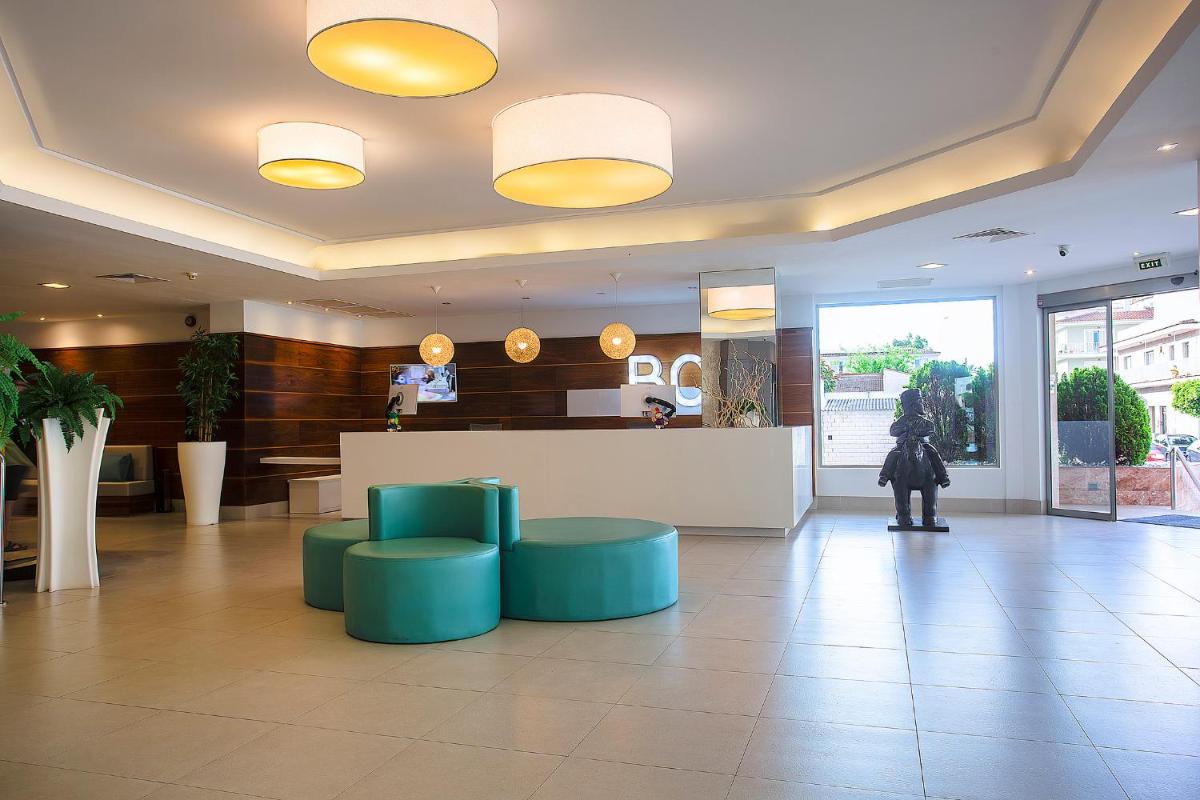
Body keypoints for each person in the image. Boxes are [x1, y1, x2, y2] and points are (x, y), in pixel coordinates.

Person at [878, 389, 950, 489]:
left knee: (933, 452)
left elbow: (931, 428)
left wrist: (919, 431)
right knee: (893, 453)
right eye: (920, 402)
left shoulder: (923, 421)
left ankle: (943, 476)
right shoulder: (902, 420)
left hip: (922, 444)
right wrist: (904, 428)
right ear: (912, 405)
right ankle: (884, 475)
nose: (922, 404)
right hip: (903, 445)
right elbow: (893, 430)